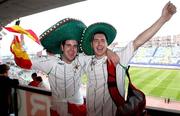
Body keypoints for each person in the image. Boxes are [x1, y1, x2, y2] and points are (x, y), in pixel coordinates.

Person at [80, 2, 176, 116]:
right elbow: (71, 48)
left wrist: (163, 19)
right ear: (91, 44)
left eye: (102, 41)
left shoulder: (119, 58)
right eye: (96, 40)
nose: (99, 44)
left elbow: (138, 41)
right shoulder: (86, 60)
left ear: (107, 43)